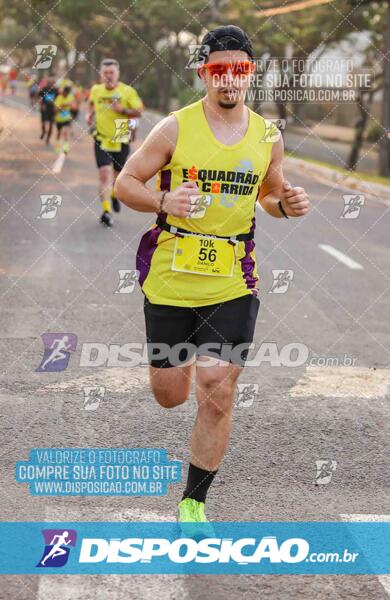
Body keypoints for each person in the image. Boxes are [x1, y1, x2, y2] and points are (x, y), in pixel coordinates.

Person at [115, 25, 310, 527]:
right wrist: (162, 200)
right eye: (219, 70)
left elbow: (269, 195)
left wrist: (286, 206)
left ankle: (194, 501)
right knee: (170, 394)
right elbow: (125, 183)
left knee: (217, 387)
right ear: (204, 72)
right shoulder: (175, 129)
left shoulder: (268, 134)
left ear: (250, 74)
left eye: (239, 70)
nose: (229, 80)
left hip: (233, 277)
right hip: (171, 277)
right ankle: (170, 380)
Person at [86, 58, 144, 227]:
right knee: (104, 174)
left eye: (112, 73)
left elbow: (140, 111)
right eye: (105, 73)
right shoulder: (96, 90)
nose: (109, 76)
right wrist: (89, 115)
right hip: (101, 137)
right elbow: (91, 104)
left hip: (121, 137)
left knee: (117, 178)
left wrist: (123, 110)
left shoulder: (127, 91)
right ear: (101, 75)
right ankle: (106, 211)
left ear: (117, 73)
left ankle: (113, 195)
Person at [54, 85, 76, 155]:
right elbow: (55, 110)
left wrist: (73, 109)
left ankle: (65, 148)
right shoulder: (59, 98)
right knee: (59, 133)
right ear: (63, 92)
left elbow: (74, 106)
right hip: (59, 119)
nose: (65, 95)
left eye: (67, 93)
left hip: (66, 118)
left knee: (65, 132)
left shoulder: (70, 97)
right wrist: (63, 105)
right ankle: (57, 147)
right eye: (64, 93)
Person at [39, 76, 58, 144]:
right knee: (43, 122)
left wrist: (56, 107)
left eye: (53, 83)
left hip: (52, 108)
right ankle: (43, 131)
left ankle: (48, 138)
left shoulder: (56, 90)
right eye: (50, 82)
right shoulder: (44, 89)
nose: (51, 84)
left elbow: (58, 99)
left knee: (51, 124)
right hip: (45, 107)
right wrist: (41, 105)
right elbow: (40, 97)